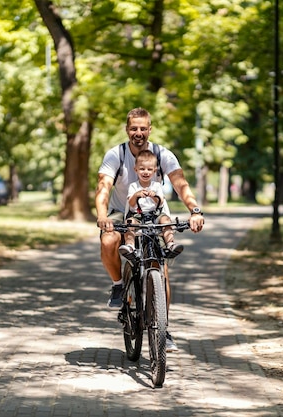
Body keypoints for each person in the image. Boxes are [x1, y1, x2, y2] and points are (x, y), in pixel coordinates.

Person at [95, 107, 204, 351]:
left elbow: (180, 183)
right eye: (134, 128)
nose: (138, 133)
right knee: (108, 240)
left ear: (150, 129)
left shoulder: (162, 154)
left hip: (153, 215)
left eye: (143, 128)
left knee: (160, 269)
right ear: (127, 130)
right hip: (122, 212)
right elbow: (103, 187)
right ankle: (117, 285)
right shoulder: (116, 154)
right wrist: (102, 216)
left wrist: (195, 210)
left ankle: (163, 327)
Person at [118, 149, 184, 260]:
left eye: (149, 169)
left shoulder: (156, 186)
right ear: (136, 170)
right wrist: (136, 195)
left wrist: (154, 196)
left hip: (155, 214)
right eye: (142, 169)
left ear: (154, 171)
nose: (145, 172)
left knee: (166, 220)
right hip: (138, 215)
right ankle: (130, 246)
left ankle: (170, 244)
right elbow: (131, 203)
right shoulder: (133, 186)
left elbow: (161, 202)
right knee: (129, 223)